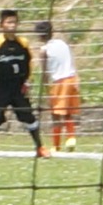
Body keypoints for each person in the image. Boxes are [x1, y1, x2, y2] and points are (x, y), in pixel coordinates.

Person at [0, 9, 47, 158]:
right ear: (1, 25)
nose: (12, 25)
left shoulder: (22, 43)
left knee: (29, 116)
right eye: (9, 22)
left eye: (14, 22)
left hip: (18, 88)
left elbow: (29, 63)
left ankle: (40, 148)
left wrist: (28, 81)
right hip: (0, 88)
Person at [34, 21, 79, 152]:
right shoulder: (63, 44)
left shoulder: (44, 51)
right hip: (71, 79)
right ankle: (71, 138)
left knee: (55, 114)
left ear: (39, 36)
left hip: (59, 82)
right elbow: (72, 61)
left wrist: (46, 89)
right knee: (68, 112)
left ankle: (56, 146)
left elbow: (45, 73)